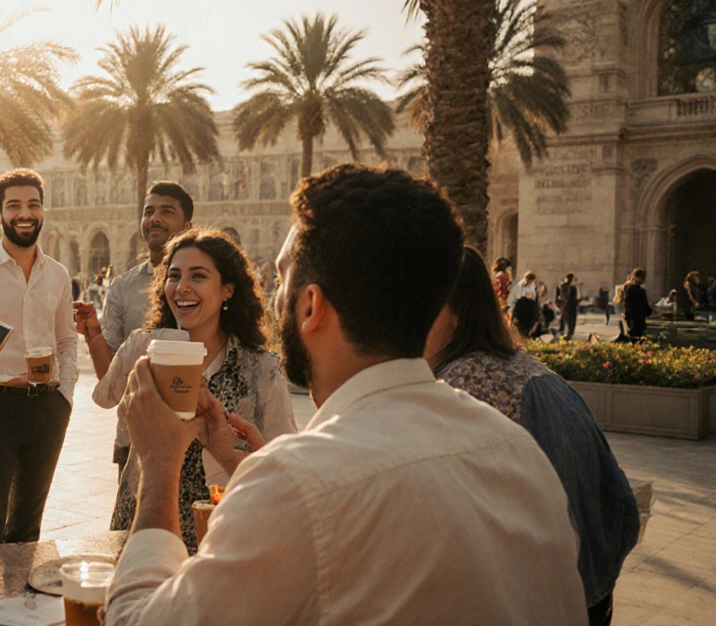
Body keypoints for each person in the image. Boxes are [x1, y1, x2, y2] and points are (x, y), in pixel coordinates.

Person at [103, 165, 584, 625]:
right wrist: (241, 463)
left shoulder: (298, 484)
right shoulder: (519, 454)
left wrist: (161, 463)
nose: (274, 296)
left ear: (309, 305)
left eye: (283, 280)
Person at [425, 247, 639, 626]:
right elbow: (621, 505)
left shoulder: (463, 387)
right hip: (590, 595)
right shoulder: (528, 368)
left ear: (455, 313)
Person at [99, 230, 296, 552]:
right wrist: (133, 352)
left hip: (222, 529)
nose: (182, 287)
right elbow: (105, 397)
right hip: (144, 516)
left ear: (228, 290)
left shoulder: (260, 369)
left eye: (198, 276)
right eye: (173, 276)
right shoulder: (146, 347)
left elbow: (282, 455)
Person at [0, 169, 78, 551]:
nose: (25, 213)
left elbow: (66, 339)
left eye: (33, 205)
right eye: (14, 206)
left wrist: (65, 396)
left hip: (47, 407)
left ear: (43, 211)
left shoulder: (57, 274)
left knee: (27, 526)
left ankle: (19, 608)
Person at [74, 181, 194, 471]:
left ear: (188, 226)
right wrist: (92, 332)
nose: (155, 218)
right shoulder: (123, 286)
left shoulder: (205, 285)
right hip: (134, 436)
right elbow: (109, 377)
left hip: (197, 437)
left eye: (167, 212)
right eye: (149, 211)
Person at [622, 268, 652, 339]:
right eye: (643, 277)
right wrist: (648, 311)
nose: (644, 280)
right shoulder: (637, 290)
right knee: (636, 337)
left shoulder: (629, 288)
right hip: (637, 318)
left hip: (632, 318)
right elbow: (642, 304)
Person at [509, 270, 540, 338]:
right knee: (519, 326)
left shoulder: (534, 287)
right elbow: (516, 296)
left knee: (527, 326)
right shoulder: (520, 285)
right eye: (527, 278)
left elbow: (534, 297)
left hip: (530, 308)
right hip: (521, 307)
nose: (527, 281)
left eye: (529, 279)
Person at [557, 272, 581, 339]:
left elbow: (561, 296)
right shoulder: (574, 287)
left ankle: (562, 331)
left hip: (565, 304)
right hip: (572, 304)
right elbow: (578, 297)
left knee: (564, 318)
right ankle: (569, 333)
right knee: (571, 319)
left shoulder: (563, 286)